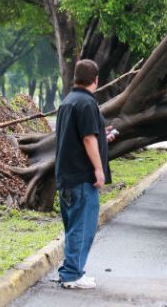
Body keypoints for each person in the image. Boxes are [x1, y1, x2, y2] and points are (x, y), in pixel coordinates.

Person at [54, 59, 116, 289]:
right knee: (83, 227)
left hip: (66, 176)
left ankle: (70, 270)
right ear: (96, 79)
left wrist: (102, 133)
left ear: (75, 78)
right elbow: (88, 138)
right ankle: (72, 275)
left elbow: (87, 134)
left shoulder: (68, 102)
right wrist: (99, 170)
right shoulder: (87, 104)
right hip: (81, 178)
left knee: (73, 227)